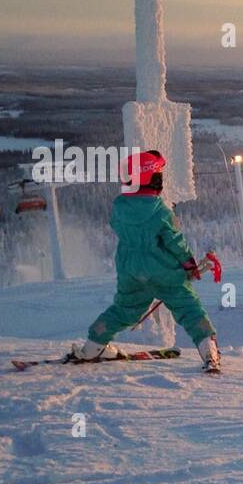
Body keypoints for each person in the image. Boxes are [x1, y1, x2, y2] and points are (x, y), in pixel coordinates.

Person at [72, 150, 221, 373]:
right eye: (158, 175)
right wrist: (188, 263)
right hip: (164, 272)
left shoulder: (119, 207)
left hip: (130, 271)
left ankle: (93, 347)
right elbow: (174, 241)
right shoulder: (160, 210)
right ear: (152, 180)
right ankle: (209, 351)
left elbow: (117, 226)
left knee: (124, 310)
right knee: (188, 308)